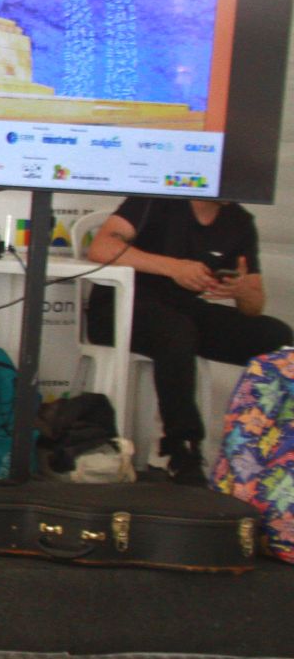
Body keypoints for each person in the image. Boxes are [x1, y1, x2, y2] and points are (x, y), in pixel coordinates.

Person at [86, 196, 292, 483]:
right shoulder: (156, 199)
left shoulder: (240, 221)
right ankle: (182, 449)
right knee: (177, 332)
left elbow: (253, 306)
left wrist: (242, 290)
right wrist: (173, 267)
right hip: (121, 308)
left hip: (183, 310)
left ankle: (274, 448)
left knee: (277, 337)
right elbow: (100, 248)